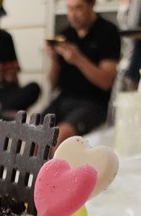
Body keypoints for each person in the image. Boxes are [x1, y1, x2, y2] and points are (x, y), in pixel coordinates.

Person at [44, 0, 122, 142]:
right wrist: (54, 61)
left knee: (60, 137)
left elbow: (106, 82)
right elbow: (53, 84)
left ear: (92, 5)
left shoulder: (108, 32)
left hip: (94, 102)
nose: (73, 15)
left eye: (78, 8)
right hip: (64, 99)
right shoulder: (65, 35)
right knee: (33, 133)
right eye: (69, 9)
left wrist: (78, 59)